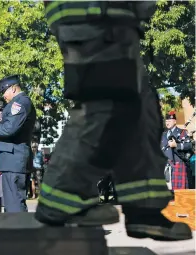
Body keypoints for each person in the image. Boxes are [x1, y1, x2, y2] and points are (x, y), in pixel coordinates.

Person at [35, 1, 192, 241]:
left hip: (114, 19)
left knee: (140, 108)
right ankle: (61, 197)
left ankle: (144, 209)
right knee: (102, 103)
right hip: (91, 15)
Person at [0, 75, 36, 212]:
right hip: (13, 160)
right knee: (12, 204)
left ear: (13, 88)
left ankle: (19, 233)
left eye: (3, 91)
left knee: (14, 206)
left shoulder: (20, 103)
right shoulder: (17, 103)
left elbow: (9, 129)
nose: (3, 96)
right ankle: (16, 231)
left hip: (14, 160)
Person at [161, 111, 193, 189]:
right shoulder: (163, 135)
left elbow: (189, 145)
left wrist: (176, 145)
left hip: (177, 165)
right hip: (165, 166)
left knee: (179, 193)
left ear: (175, 121)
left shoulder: (182, 132)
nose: (167, 122)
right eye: (166, 121)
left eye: (169, 120)